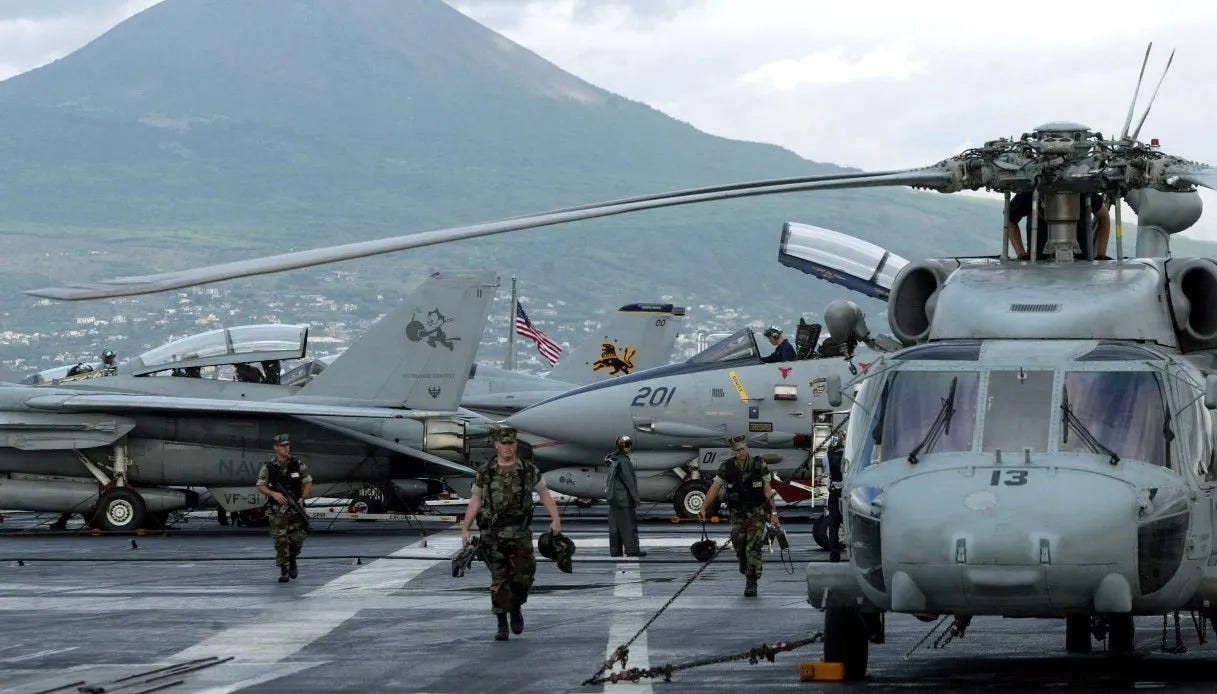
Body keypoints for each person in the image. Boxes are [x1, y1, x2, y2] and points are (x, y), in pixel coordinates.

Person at [461, 426, 563, 641]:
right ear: (497, 445)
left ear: (515, 445)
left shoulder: (527, 470)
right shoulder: (485, 471)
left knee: (523, 578)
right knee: (499, 579)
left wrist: (555, 518)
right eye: (503, 443)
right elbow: (475, 500)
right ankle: (501, 623)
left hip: (520, 533)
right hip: (493, 535)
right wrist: (465, 527)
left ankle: (516, 606)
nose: (507, 447)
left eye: (510, 443)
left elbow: (544, 494)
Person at [700, 434, 780, 597]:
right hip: (738, 514)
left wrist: (773, 513)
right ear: (733, 451)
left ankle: (752, 580)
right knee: (739, 545)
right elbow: (714, 487)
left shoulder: (759, 464)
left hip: (757, 513)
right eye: (737, 450)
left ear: (747, 448)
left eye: (743, 449)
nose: (741, 452)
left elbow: (767, 489)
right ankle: (745, 567)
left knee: (753, 546)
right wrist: (703, 507)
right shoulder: (726, 467)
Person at [255, 433, 312, 583]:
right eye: (282, 446)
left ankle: (292, 558)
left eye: (287, 445)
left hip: (296, 508)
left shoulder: (297, 464)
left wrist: (302, 498)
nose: (286, 448)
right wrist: (274, 494)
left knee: (298, 538)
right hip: (278, 510)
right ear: (275, 448)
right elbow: (260, 486)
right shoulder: (269, 467)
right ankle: (284, 569)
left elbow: (307, 482)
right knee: (280, 540)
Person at [1006, 191, 1111, 260]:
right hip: (1039, 261)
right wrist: (1021, 254)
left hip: (1080, 262)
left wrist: (1101, 255)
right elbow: (1009, 220)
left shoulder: (1083, 192)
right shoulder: (1030, 193)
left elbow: (1104, 216)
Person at [605, 435, 644, 558]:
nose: (629, 447)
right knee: (628, 525)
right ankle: (632, 550)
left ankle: (615, 551)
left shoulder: (613, 459)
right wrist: (636, 498)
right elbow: (629, 481)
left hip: (613, 497)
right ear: (622, 446)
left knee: (615, 526)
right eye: (627, 445)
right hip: (624, 498)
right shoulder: (624, 461)